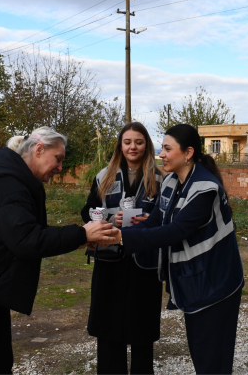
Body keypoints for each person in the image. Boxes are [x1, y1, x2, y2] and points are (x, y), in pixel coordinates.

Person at [0, 127, 114, 374]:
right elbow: (27, 240)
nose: (60, 168)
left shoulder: (16, 182)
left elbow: (23, 233)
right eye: (58, 159)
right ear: (39, 150)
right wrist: (82, 233)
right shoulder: (9, 186)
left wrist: (79, 239)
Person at [98, 124, 244, 375]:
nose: (161, 154)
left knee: (213, 359)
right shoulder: (172, 181)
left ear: (187, 153)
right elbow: (155, 221)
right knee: (200, 352)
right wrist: (111, 233)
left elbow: (174, 232)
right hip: (193, 281)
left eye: (167, 149)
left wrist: (119, 238)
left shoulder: (205, 189)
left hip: (217, 283)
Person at [81, 122, 164, 374]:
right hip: (110, 261)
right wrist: (109, 217)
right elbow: (87, 211)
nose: (133, 147)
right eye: (127, 142)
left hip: (145, 263)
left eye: (138, 142)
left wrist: (148, 222)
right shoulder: (104, 175)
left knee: (142, 330)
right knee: (108, 328)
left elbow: (168, 217)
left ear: (146, 145)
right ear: (120, 145)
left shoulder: (161, 178)